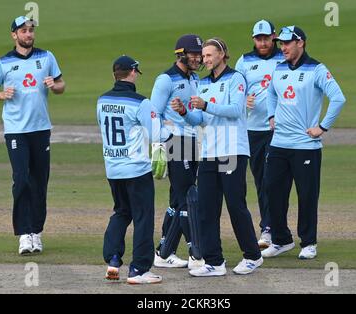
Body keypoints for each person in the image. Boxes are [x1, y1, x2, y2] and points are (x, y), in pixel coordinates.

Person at [172, 38, 263, 277]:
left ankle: (253, 256)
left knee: (235, 205)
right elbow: (199, 120)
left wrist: (206, 106)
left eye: (209, 55)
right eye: (203, 56)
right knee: (207, 209)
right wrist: (184, 113)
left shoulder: (236, 79)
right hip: (210, 152)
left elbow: (236, 110)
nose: (205, 59)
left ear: (222, 54)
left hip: (232, 150)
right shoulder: (202, 83)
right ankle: (215, 262)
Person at [262, 26, 346, 259]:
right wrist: (271, 116)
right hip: (279, 143)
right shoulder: (278, 68)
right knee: (273, 191)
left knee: (306, 194)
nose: (283, 47)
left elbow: (338, 97)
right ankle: (281, 240)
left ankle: (308, 242)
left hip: (305, 145)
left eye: (288, 43)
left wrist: (322, 127)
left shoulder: (316, 69)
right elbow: (271, 94)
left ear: (301, 43)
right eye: (281, 43)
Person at [0, 16, 65, 255]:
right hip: (16, 130)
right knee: (21, 180)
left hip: (40, 129)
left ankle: (36, 233)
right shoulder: (3, 62)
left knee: (40, 182)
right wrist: (1, 95)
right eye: (23, 31)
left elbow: (62, 86)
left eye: (31, 30)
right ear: (14, 35)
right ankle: (23, 234)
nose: (28, 34)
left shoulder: (46, 57)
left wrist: (54, 85)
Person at [98, 55, 162, 284]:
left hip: (113, 168)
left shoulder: (101, 100)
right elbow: (157, 134)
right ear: (133, 73)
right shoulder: (140, 102)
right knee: (143, 217)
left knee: (122, 212)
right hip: (136, 168)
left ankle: (113, 259)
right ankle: (139, 270)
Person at [150, 34, 205, 270]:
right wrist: (164, 140)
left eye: (199, 53)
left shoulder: (196, 79)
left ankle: (164, 252)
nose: (198, 57)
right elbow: (153, 115)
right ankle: (195, 251)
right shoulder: (166, 80)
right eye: (193, 53)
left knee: (177, 200)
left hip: (193, 142)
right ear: (180, 54)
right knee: (188, 197)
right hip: (176, 143)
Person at [235, 20, 285, 249]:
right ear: (253, 39)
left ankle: (273, 228)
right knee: (261, 180)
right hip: (253, 129)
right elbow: (234, 91)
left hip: (279, 128)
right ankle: (269, 228)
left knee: (274, 180)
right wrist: (244, 100)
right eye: (259, 38)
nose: (263, 42)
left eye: (266, 38)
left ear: (274, 36)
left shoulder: (283, 58)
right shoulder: (244, 62)